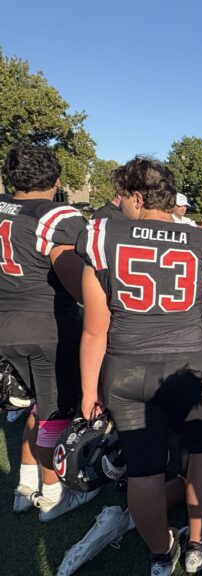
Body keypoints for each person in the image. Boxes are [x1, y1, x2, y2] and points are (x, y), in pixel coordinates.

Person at [76, 156, 202, 575]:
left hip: (126, 367)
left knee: (143, 468)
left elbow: (95, 328)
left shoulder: (103, 236)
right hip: (189, 365)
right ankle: (197, 544)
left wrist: (89, 390)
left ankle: (162, 554)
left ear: (138, 196)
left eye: (124, 195)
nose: (120, 203)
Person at [0, 145, 95, 521]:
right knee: (54, 414)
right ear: (56, 182)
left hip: (8, 323)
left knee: (39, 406)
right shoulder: (55, 216)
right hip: (47, 324)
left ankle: (25, 483)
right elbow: (77, 286)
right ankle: (54, 494)